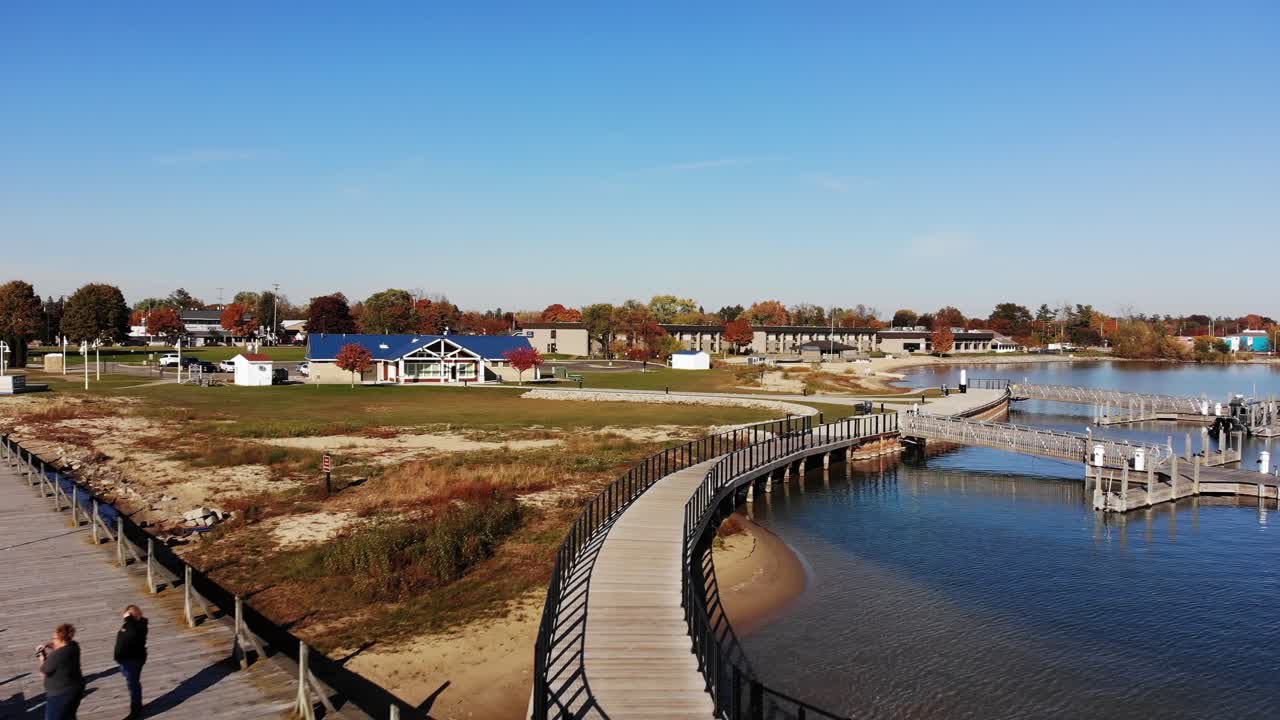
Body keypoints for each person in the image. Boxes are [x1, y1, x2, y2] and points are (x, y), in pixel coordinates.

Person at [36, 623, 84, 720]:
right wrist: (48, 645)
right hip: (76, 689)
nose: (53, 640)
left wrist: (41, 658)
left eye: (54, 638)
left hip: (60, 694)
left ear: (61, 639)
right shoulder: (74, 646)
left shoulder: (56, 656)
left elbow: (43, 672)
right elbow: (61, 646)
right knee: (69, 716)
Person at [115, 605, 149, 719]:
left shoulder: (138, 627)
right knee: (132, 681)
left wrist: (128, 619)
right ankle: (137, 704)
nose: (124, 617)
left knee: (133, 685)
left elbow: (132, 633)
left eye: (127, 615)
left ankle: (136, 709)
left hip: (133, 660)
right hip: (126, 660)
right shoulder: (131, 625)